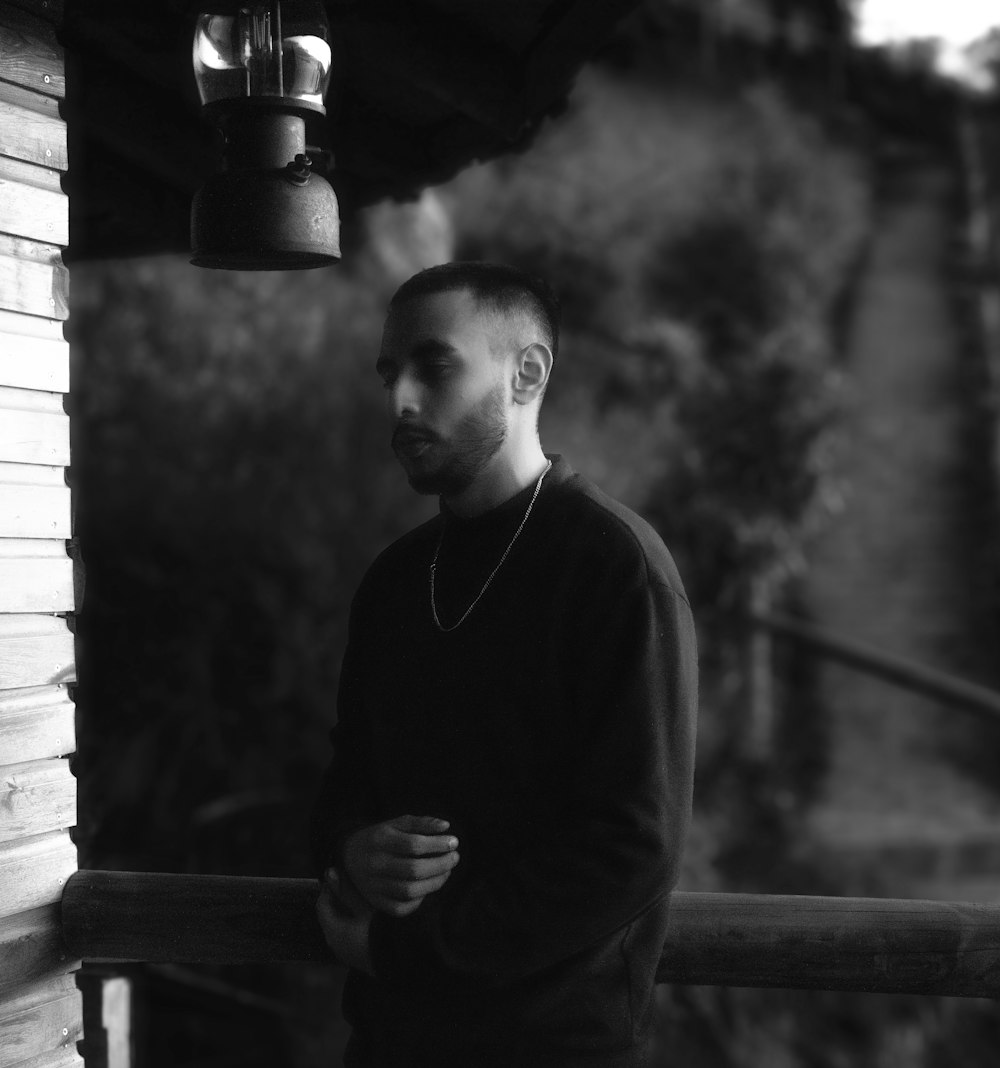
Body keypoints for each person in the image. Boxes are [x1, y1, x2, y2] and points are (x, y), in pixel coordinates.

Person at [310, 261, 698, 1068]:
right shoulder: (392, 581)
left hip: (552, 1048)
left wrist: (410, 951)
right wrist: (353, 847)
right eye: (390, 373)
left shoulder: (614, 566)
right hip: (386, 1044)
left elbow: (632, 845)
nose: (401, 401)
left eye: (433, 365)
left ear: (526, 373)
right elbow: (342, 786)